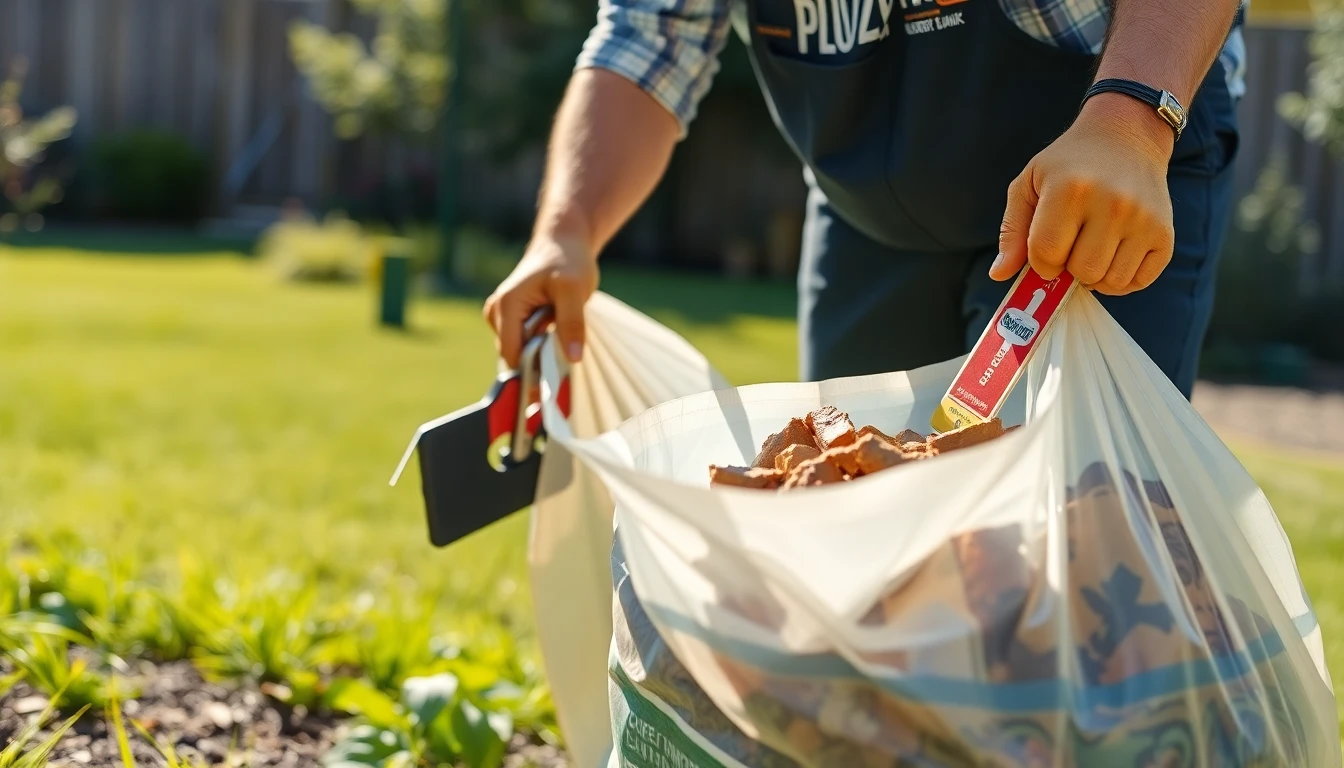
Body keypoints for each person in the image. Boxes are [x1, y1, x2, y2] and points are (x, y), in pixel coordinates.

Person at [484, 0, 1245, 398]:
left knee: (1074, 562)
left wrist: (1133, 123)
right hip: (866, 212)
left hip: (1098, 171)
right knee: (861, 539)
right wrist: (567, 229)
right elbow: (649, 38)